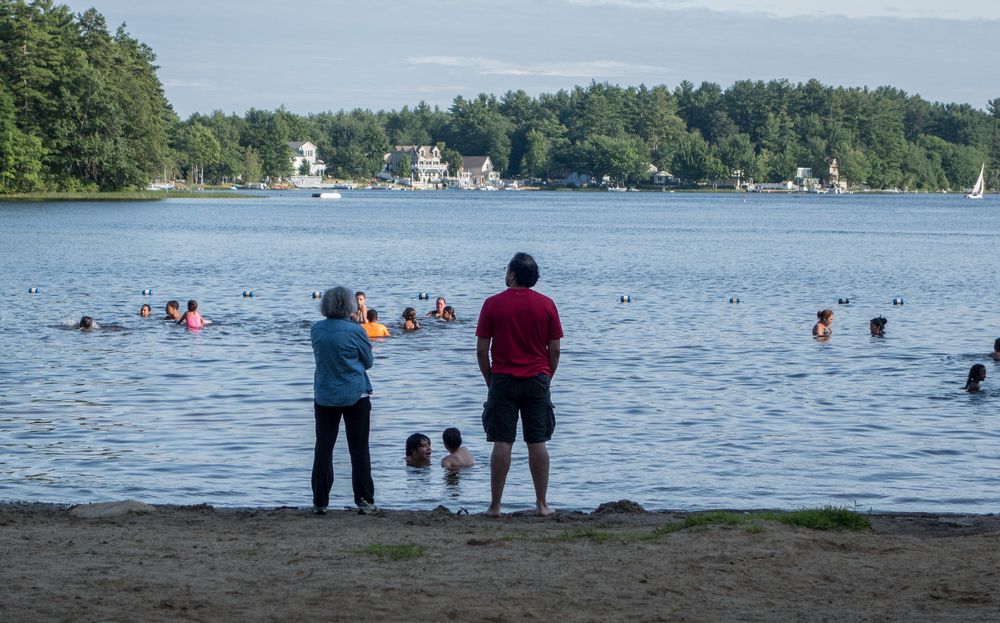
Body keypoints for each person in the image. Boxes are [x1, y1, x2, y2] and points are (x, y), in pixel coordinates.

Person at [476, 252, 562, 517]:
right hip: (537, 378)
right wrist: (547, 378)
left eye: (506, 270)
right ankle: (541, 504)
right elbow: (555, 350)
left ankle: (495, 506)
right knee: (537, 442)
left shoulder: (492, 304)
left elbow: (481, 351)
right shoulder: (547, 304)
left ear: (512, 274)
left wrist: (491, 380)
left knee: (502, 442)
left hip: (503, 378)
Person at [310, 286, 376, 515]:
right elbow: (368, 362)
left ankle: (320, 500)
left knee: (323, 448)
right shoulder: (355, 331)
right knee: (358, 449)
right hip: (355, 395)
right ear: (349, 304)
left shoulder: (316, 330)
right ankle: (365, 500)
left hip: (325, 395)